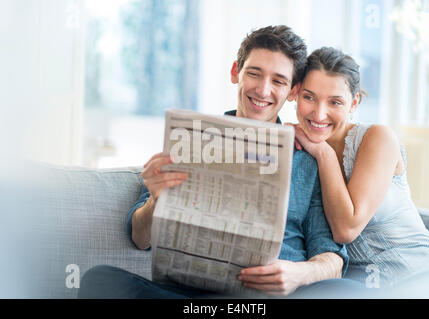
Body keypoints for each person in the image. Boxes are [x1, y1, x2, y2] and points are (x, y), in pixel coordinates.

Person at [78, 26, 363, 299]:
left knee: (353, 294)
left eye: (278, 81)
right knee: (101, 280)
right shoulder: (189, 138)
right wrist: (155, 199)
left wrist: (298, 274)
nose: (263, 91)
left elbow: (333, 258)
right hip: (193, 296)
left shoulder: (307, 160)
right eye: (254, 73)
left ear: (292, 90)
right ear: (235, 72)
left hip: (273, 297)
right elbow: (140, 238)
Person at [289, 46, 429, 297]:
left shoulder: (377, 137)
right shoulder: (296, 148)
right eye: (309, 97)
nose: (319, 113)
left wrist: (323, 153)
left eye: (335, 102)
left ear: (354, 103)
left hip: (423, 276)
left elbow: (346, 229)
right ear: (295, 94)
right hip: (360, 288)